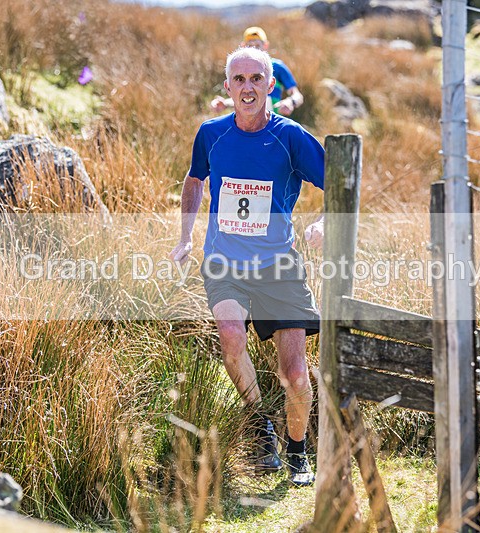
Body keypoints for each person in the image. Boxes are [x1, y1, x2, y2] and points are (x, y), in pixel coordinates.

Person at [170, 45, 324, 487]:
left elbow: (340, 180)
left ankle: (297, 451)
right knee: (231, 336)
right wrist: (185, 237)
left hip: (279, 266)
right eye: (239, 80)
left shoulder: (290, 136)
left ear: (271, 85)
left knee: (295, 374)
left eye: (257, 78)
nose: (248, 87)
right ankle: (260, 424)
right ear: (227, 87)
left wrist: (325, 223)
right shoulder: (211, 134)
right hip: (224, 261)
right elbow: (194, 178)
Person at [210, 26, 304, 117]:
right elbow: (245, 97)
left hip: (273, 125)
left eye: (258, 45)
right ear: (243, 46)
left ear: (266, 45)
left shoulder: (277, 67)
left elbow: (298, 95)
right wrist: (225, 103)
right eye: (249, 46)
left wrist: (290, 102)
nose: (254, 49)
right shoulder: (239, 69)